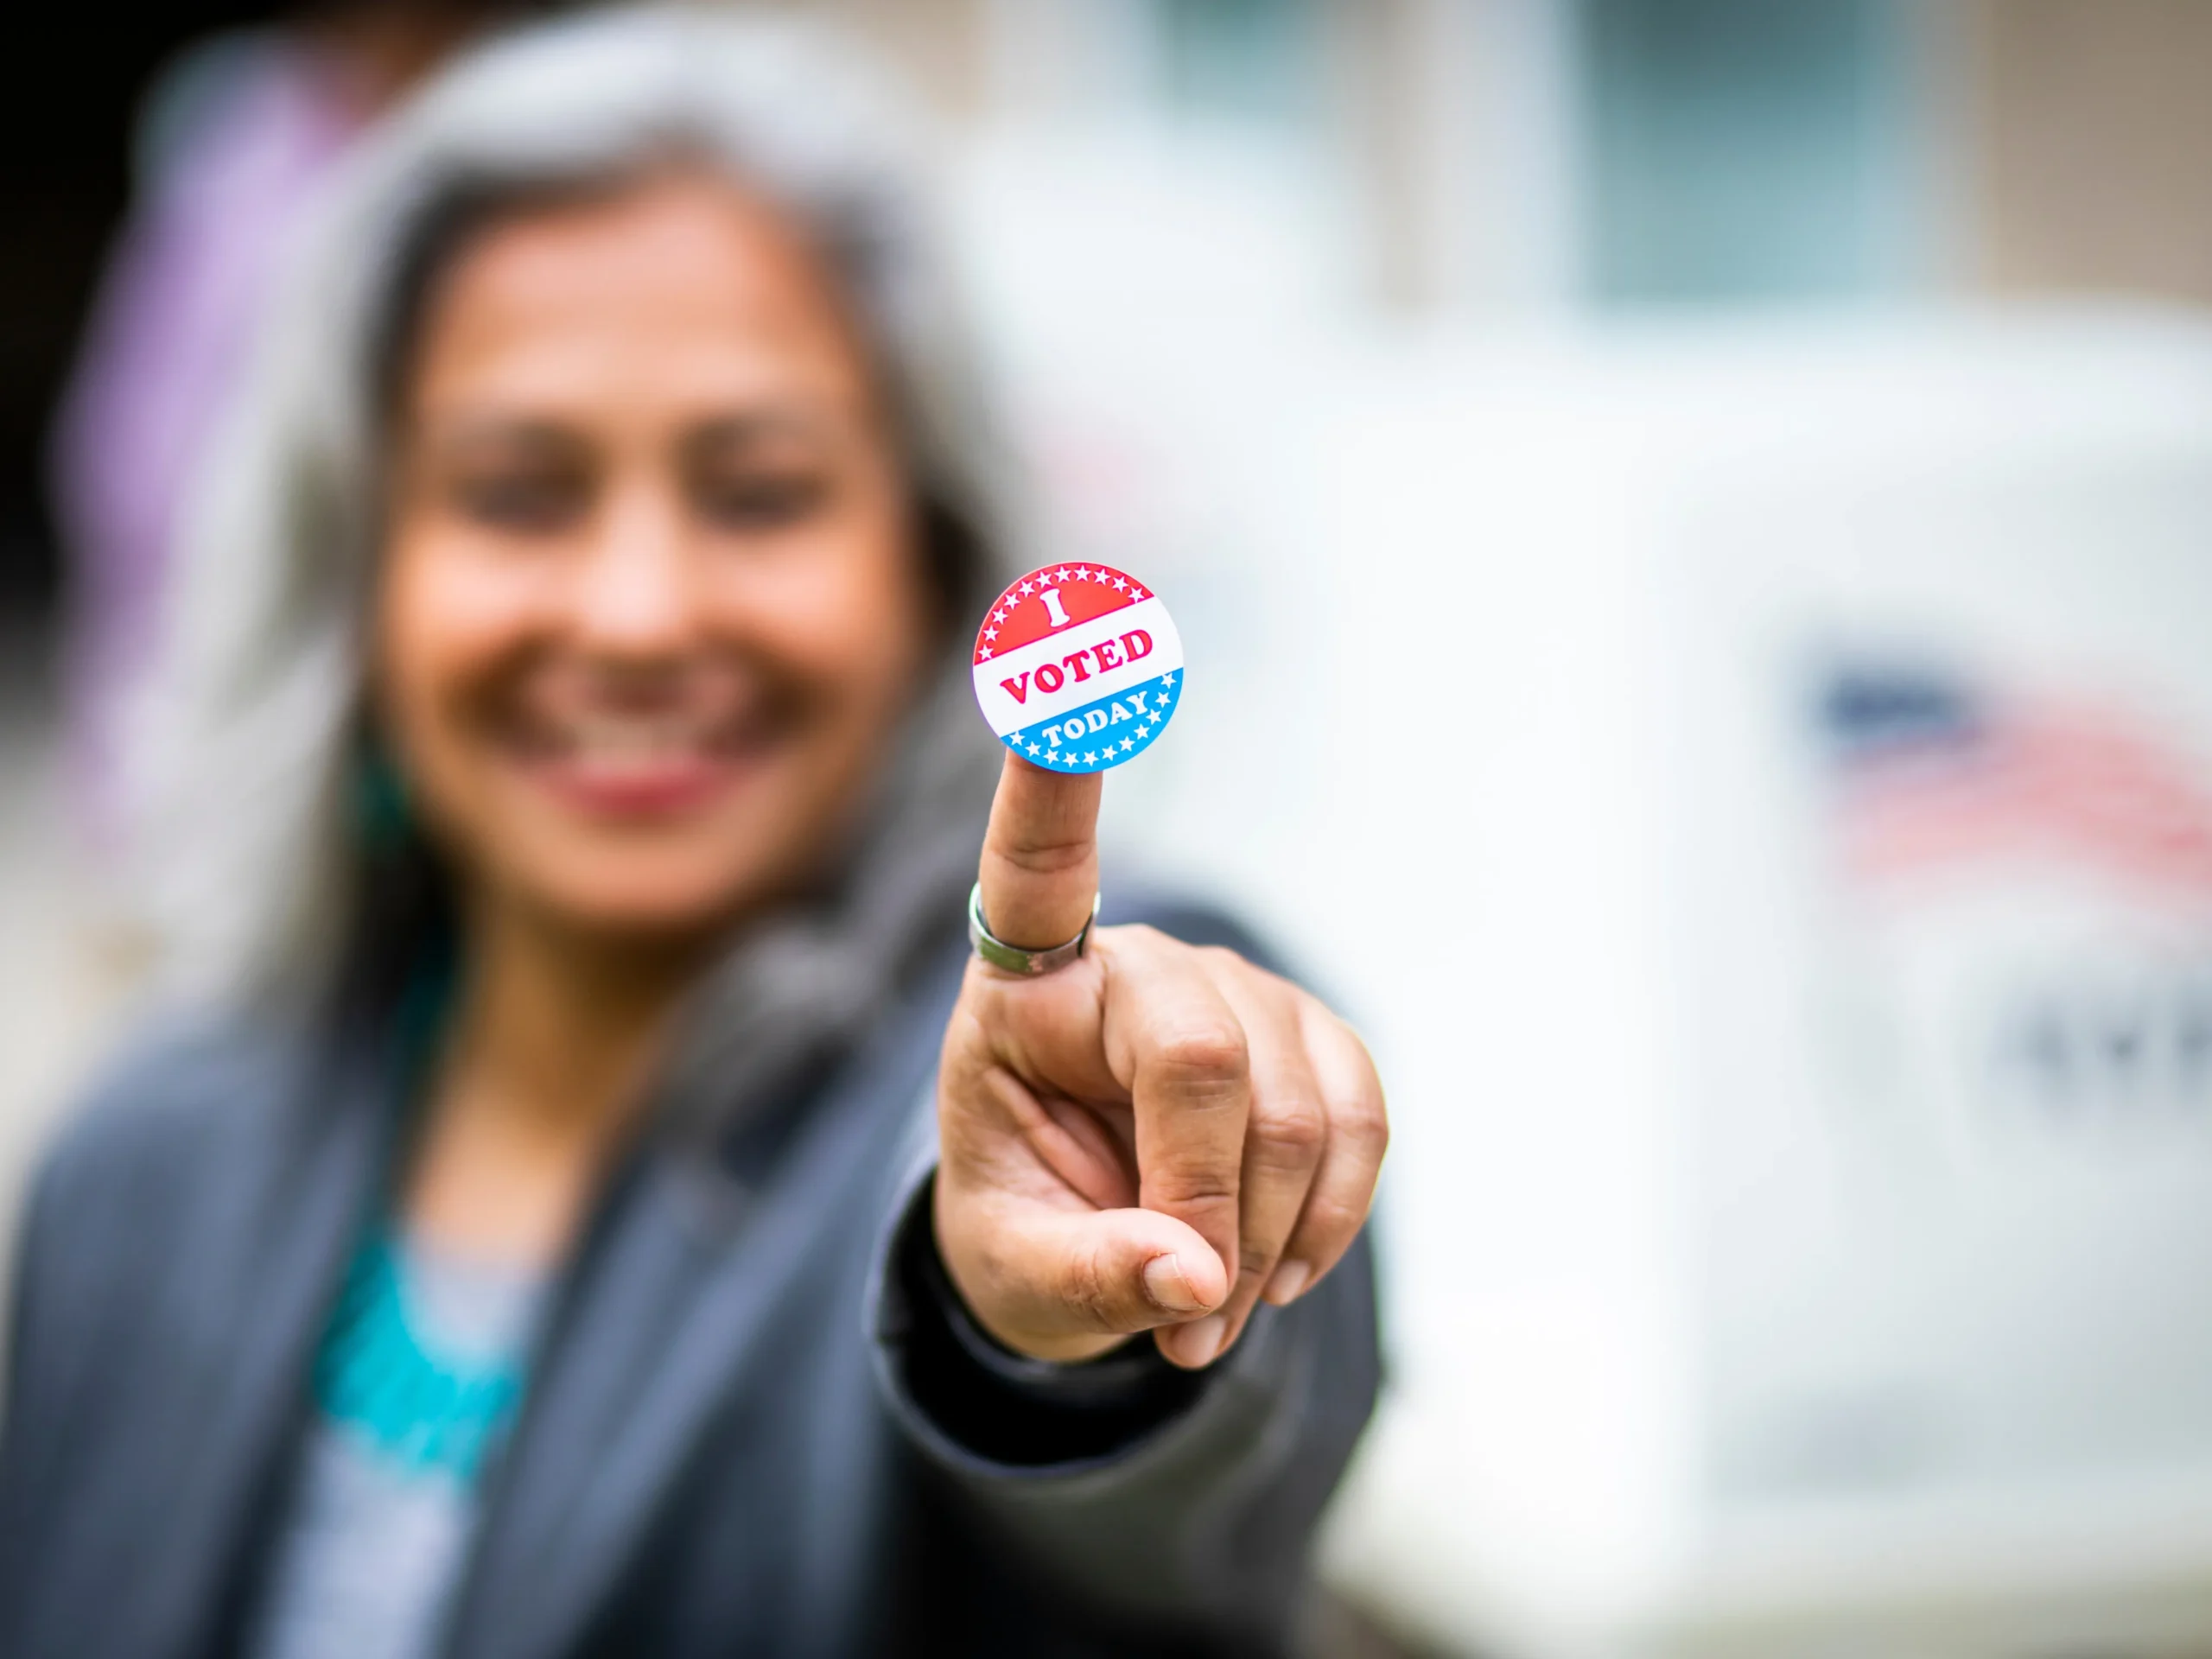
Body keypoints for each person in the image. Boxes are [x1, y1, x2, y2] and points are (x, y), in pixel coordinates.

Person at [0, 13, 1386, 1658]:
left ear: (928, 562)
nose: (641, 615)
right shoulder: (148, 1146)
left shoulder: (1064, 1068)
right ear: (357, 577)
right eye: (518, 491)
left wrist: (1047, 1327)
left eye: (759, 490)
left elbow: (1186, 1488)